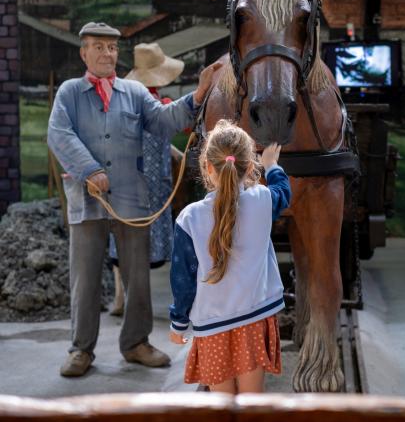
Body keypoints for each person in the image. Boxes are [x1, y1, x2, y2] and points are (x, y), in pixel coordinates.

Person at [47, 21, 220, 377]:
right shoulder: (69, 93)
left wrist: (198, 95)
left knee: (138, 276)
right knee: (86, 277)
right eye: (98, 47)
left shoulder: (135, 92)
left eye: (112, 48)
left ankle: (136, 343)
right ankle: (81, 349)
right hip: (87, 197)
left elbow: (163, 120)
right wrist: (89, 170)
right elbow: (58, 134)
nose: (107, 53)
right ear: (84, 52)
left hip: (131, 199)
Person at [168, 120, 291, 393]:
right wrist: (271, 165)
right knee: (250, 406)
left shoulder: (189, 218)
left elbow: (182, 279)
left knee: (222, 410)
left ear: (207, 168)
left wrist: (179, 323)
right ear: (249, 168)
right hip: (254, 320)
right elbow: (284, 192)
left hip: (212, 326)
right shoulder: (262, 200)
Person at [108, 43, 186, 316]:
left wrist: (175, 152)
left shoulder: (126, 102)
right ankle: (168, 301)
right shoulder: (160, 104)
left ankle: (121, 297)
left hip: (130, 184)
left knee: (124, 237)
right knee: (155, 242)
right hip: (152, 186)